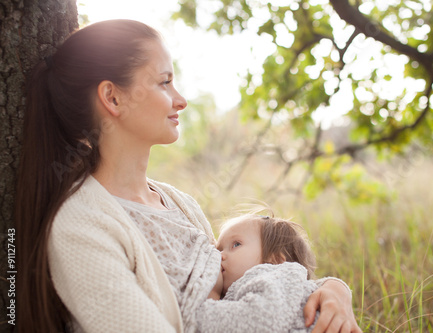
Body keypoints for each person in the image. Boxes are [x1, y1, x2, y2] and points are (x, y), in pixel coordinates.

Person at [15, 19, 361, 333]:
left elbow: (244, 288)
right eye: (165, 82)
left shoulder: (179, 203)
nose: (180, 100)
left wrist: (332, 289)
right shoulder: (80, 226)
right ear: (113, 97)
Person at [194, 213, 354, 333]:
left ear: (275, 260)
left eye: (236, 244)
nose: (219, 255)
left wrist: (209, 299)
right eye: (218, 249)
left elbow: (259, 321)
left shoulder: (274, 275)